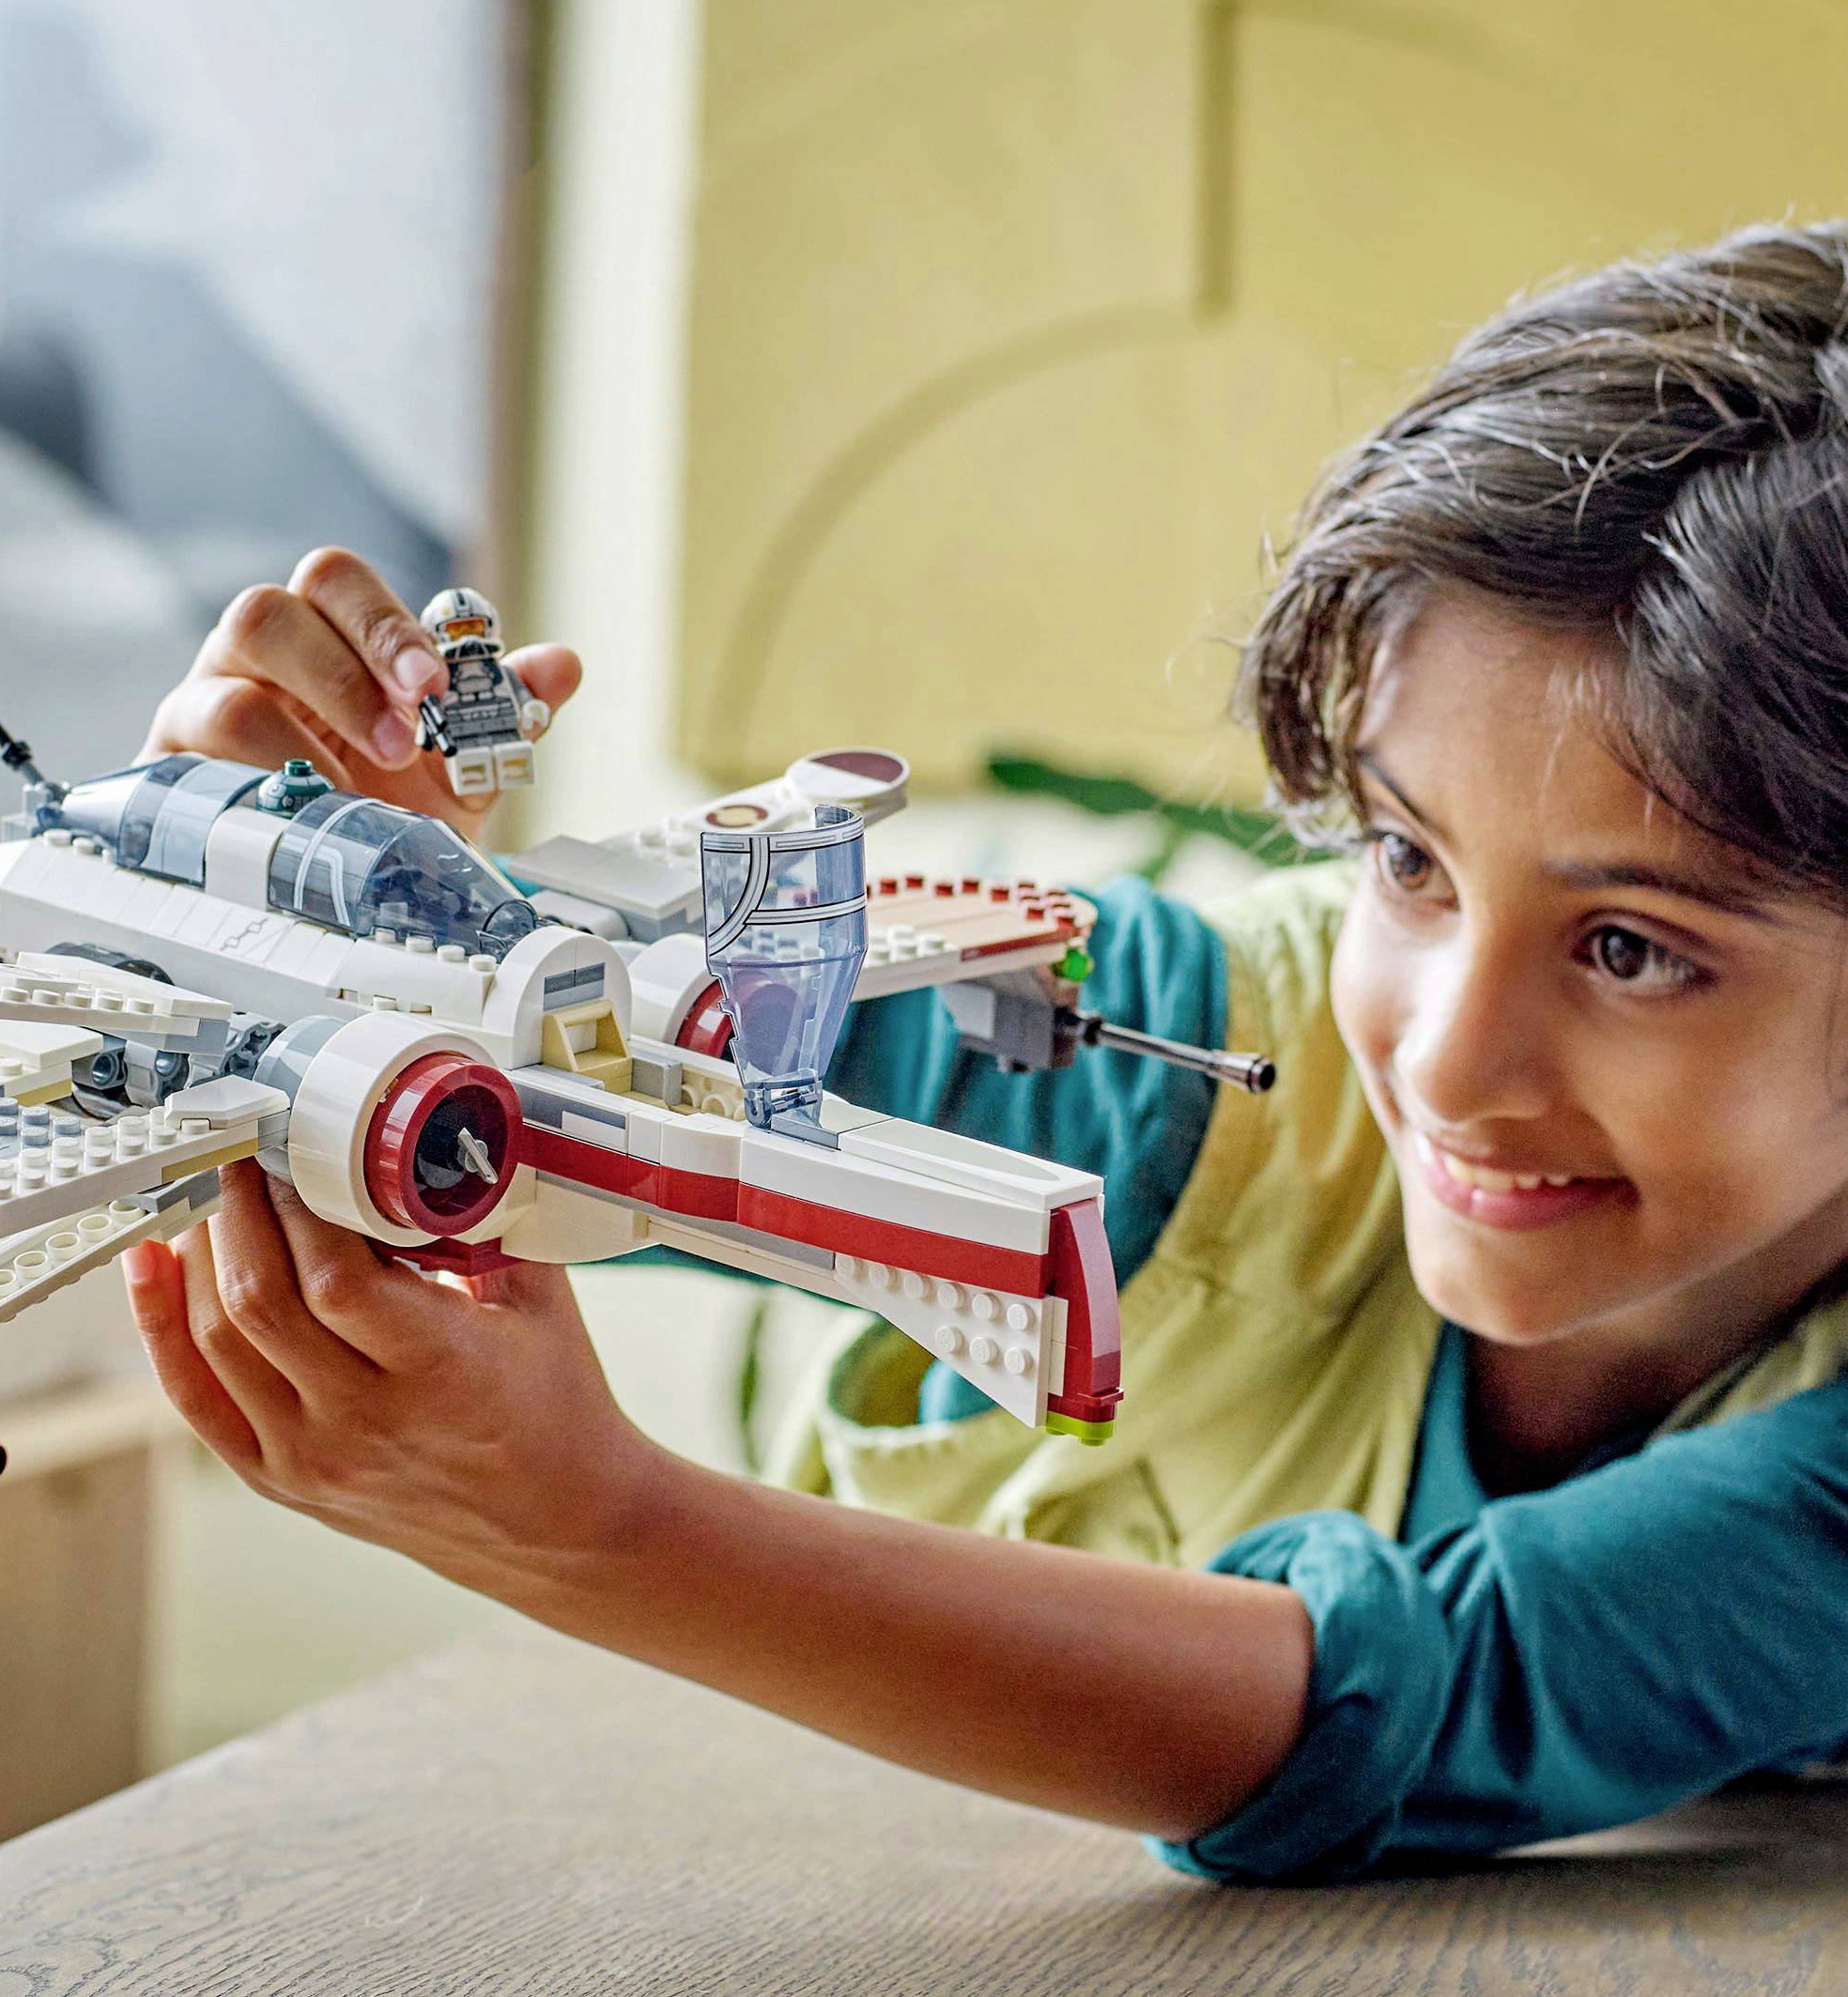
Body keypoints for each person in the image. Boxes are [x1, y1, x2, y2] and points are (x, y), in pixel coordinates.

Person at [119, 222, 1848, 1881]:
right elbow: (625, 1030)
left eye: (1632, 951)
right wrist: (328, 894)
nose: (1452, 1063)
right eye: (1407, 860)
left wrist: (593, 1523)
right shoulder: (1181, 1061)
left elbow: (1406, 1701)